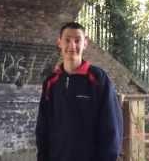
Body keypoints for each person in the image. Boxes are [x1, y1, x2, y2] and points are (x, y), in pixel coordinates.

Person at [36, 22, 123, 161]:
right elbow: (43, 126)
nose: (72, 46)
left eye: (77, 40)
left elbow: (111, 126)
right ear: (59, 43)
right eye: (67, 40)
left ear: (85, 43)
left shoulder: (98, 79)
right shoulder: (51, 82)